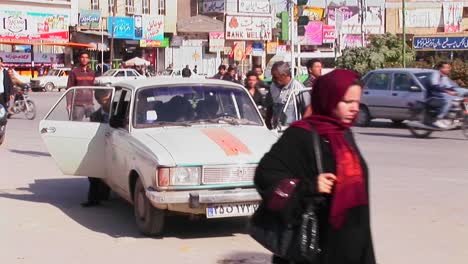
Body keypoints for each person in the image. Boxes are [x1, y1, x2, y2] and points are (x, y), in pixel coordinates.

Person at [254, 69, 376, 264]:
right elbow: (265, 176)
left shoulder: (343, 134)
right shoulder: (299, 135)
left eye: (356, 102)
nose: (354, 108)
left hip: (350, 241)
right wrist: (309, 186)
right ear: (328, 98)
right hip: (314, 244)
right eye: (346, 102)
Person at [81, 89, 113, 207]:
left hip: (118, 146)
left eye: (108, 99)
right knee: (93, 172)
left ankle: (105, 192)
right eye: (104, 100)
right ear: (99, 101)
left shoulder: (120, 112)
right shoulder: (95, 116)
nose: (107, 103)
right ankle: (93, 199)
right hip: (102, 146)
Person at [268, 61, 310, 129]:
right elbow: (269, 107)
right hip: (276, 129)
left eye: (275, 77)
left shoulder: (297, 88)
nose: (273, 79)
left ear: (284, 75)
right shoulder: (273, 86)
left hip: (292, 129)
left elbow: (309, 108)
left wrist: (303, 126)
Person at [427, 61, 462, 128]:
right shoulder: (435, 74)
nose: (448, 69)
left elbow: (449, 87)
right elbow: (435, 86)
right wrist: (448, 92)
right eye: (446, 68)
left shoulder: (444, 77)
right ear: (440, 68)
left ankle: (453, 118)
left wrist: (456, 92)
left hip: (440, 96)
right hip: (432, 97)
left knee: (456, 100)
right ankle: (438, 119)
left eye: (448, 67)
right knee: (447, 100)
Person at [66, 51, 95, 121]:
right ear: (79, 59)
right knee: (76, 125)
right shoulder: (74, 72)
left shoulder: (92, 72)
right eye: (82, 57)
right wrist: (68, 103)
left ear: (89, 59)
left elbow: (94, 88)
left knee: (95, 123)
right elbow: (69, 89)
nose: (84, 59)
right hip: (78, 104)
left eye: (86, 58)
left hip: (90, 104)